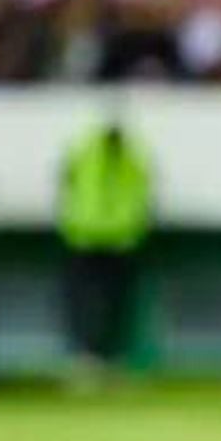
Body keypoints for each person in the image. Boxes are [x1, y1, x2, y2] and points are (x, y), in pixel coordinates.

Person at [57, 116, 152, 382]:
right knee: (86, 303)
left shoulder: (127, 158)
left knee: (115, 304)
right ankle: (86, 358)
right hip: (88, 238)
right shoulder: (92, 154)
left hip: (115, 238)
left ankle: (110, 360)